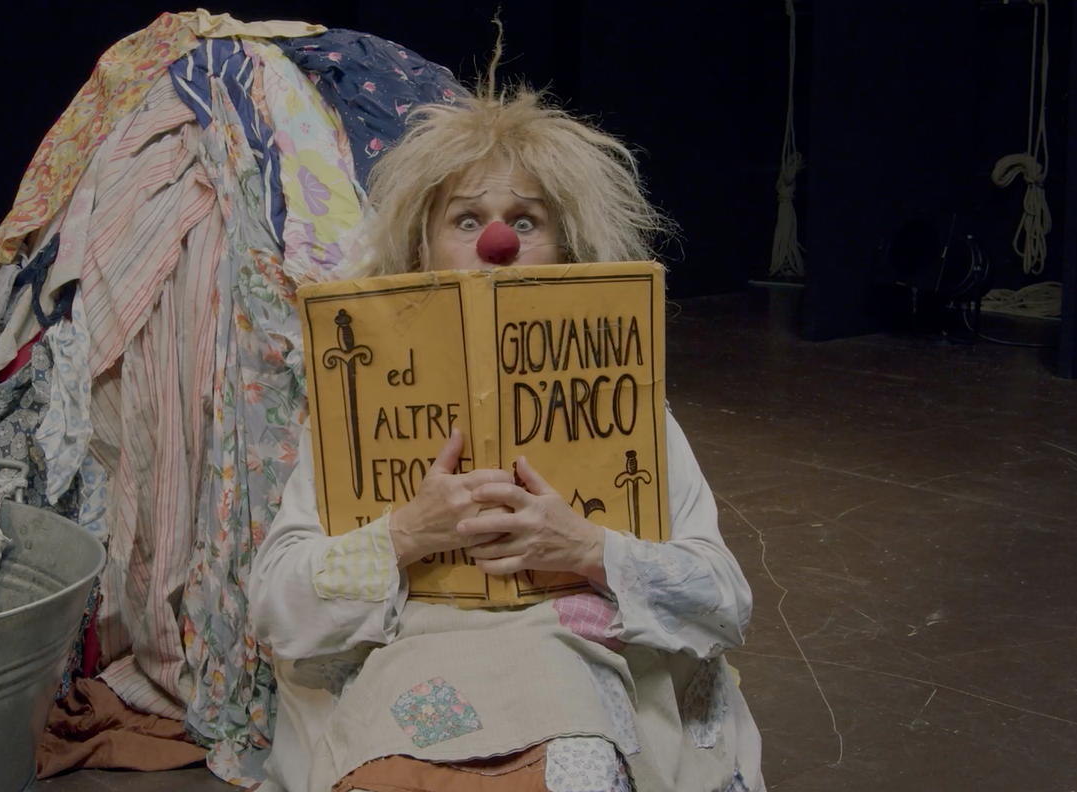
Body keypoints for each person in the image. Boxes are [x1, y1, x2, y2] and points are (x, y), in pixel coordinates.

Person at [249, 53, 763, 792]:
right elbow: (275, 602)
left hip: (571, 660)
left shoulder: (633, 408)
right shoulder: (352, 401)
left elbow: (724, 599)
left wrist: (588, 548)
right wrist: (405, 533)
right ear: (422, 244)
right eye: (467, 220)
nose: (499, 245)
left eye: (526, 221)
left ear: (566, 248)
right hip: (411, 661)